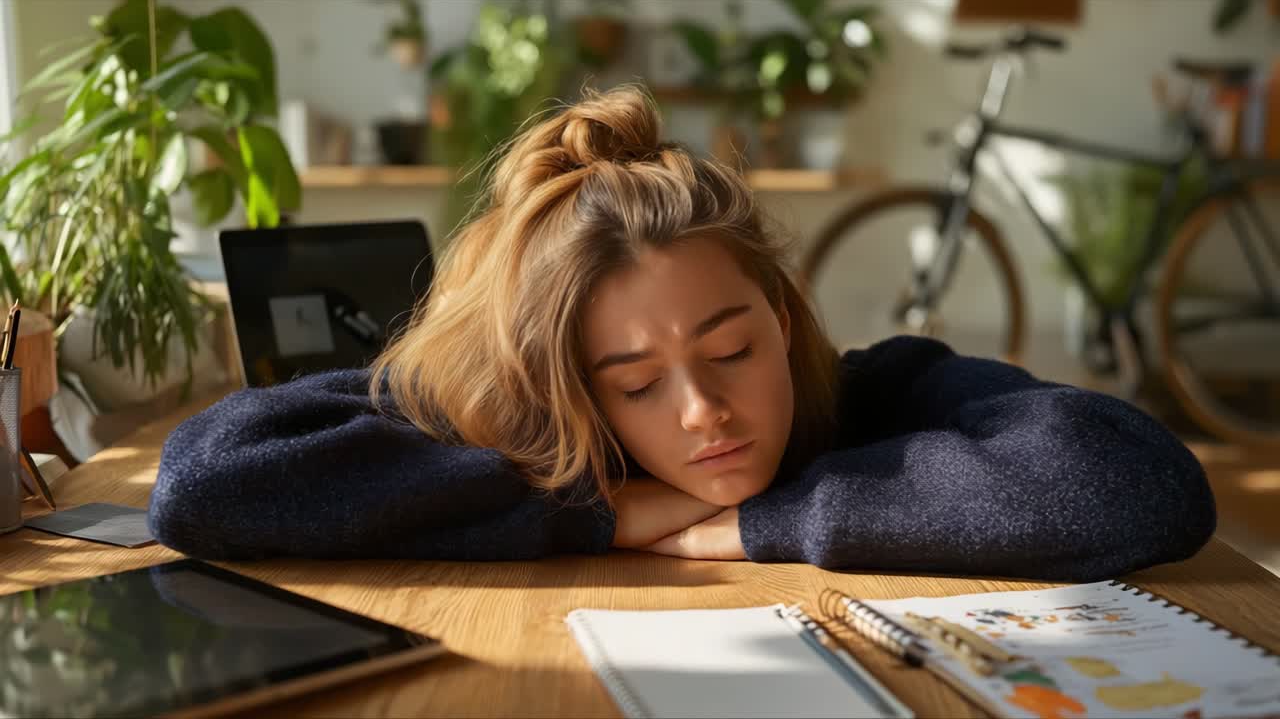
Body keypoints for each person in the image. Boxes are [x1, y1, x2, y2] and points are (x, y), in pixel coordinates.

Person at [149, 87, 1214, 581]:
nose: (703, 411)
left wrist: (745, 525)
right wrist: (603, 518)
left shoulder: (876, 390)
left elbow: (1137, 483)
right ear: (580, 389)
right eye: (633, 382)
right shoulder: (565, 446)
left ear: (782, 314)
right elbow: (207, 479)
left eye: (731, 350)